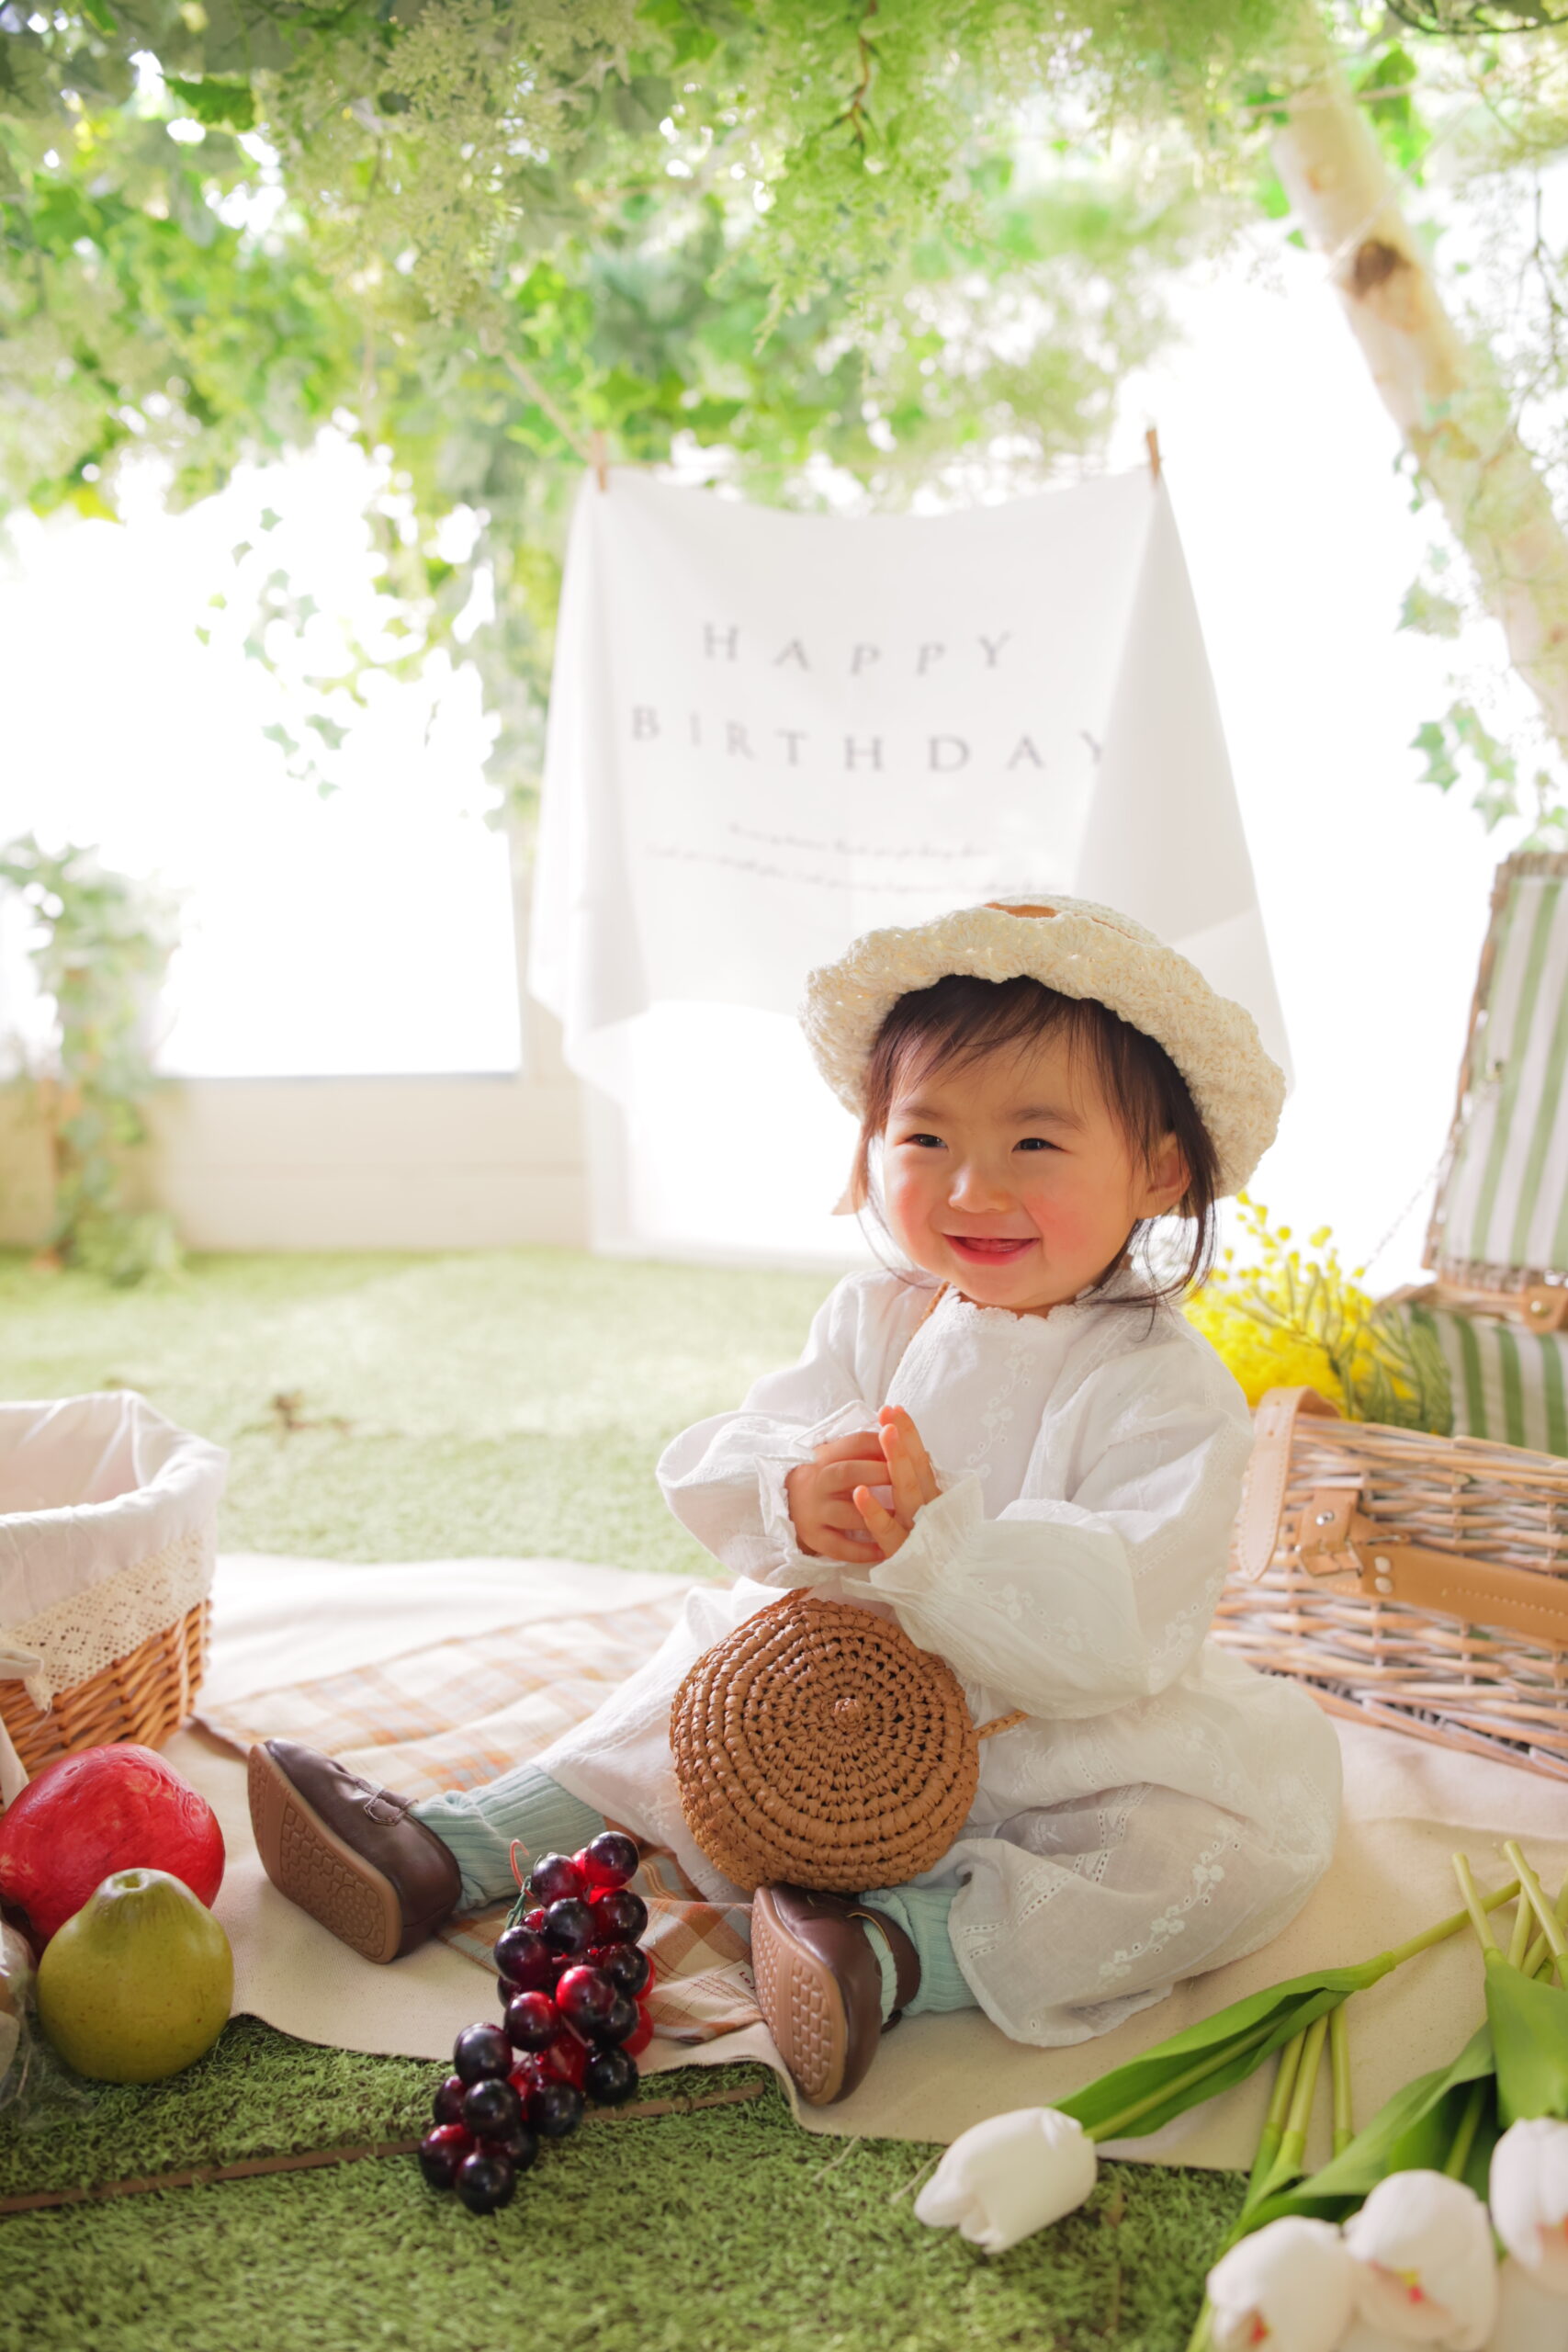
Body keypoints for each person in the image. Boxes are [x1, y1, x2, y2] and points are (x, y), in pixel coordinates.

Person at [248, 895, 1341, 2107]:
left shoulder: (1162, 1385)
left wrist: (948, 1555)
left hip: (1046, 1741)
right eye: (926, 1137)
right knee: (681, 1701)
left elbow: (1133, 1612)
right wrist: (791, 1489)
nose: (972, 1188)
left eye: (1035, 1144)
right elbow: (733, 1451)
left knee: (1213, 1851)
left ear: (1161, 1170)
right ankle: (447, 1850)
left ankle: (890, 1952)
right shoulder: (877, 1315)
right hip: (816, 1697)